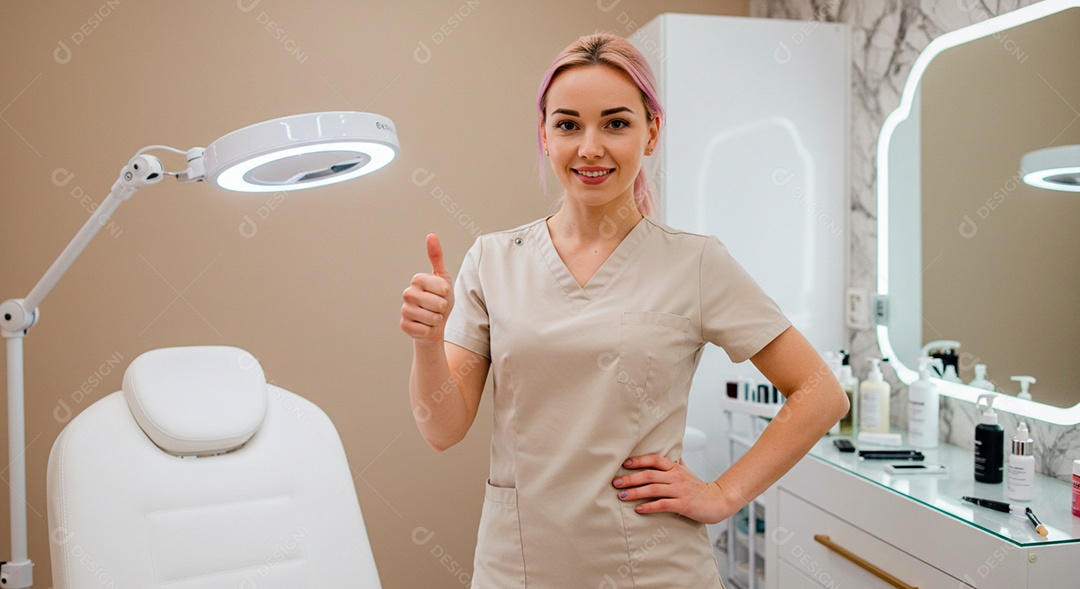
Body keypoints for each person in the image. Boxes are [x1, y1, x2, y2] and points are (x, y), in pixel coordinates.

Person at [400, 31, 849, 588]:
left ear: (651, 131)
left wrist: (722, 494)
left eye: (615, 123)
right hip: (520, 567)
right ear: (544, 134)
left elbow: (821, 393)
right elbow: (441, 430)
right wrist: (427, 341)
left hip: (655, 569)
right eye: (568, 125)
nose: (590, 147)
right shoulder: (494, 260)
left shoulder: (696, 263)